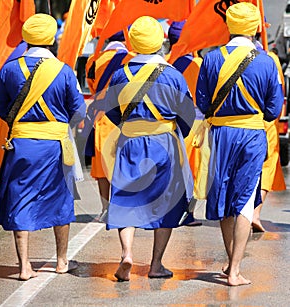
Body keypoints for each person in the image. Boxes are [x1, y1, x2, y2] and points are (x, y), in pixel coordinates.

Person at [0, 13, 86, 281]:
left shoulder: (9, 69)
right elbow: (78, 112)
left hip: (20, 145)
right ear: (52, 38)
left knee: (20, 199)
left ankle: (23, 267)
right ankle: (61, 261)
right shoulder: (64, 71)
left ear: (26, 37)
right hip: (55, 146)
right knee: (61, 200)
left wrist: (21, 123)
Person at [196, 2, 284, 286]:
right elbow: (274, 111)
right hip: (251, 135)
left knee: (223, 196)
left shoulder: (211, 59)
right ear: (256, 28)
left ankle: (230, 258)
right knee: (245, 198)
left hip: (221, 135)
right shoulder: (267, 61)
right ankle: (234, 270)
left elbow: (203, 103)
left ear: (229, 26)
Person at [103, 16, 196, 281]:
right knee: (167, 204)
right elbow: (187, 115)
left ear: (133, 42)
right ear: (161, 42)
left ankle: (127, 254)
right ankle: (155, 264)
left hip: (129, 143)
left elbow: (111, 110)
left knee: (125, 199)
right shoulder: (173, 76)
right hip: (163, 145)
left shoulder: (121, 74)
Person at [84, 31, 134, 222]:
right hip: (125, 115)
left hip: (101, 115)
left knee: (102, 167)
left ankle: (105, 209)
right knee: (124, 163)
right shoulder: (131, 58)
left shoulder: (94, 60)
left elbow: (92, 86)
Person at [167, 20, 204, 226]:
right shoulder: (198, 64)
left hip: (169, 123)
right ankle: (188, 213)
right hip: (196, 123)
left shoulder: (165, 63)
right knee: (194, 172)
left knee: (175, 171)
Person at [252, 39, 287, 232]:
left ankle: (239, 213)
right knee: (267, 166)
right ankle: (255, 213)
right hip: (266, 121)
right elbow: (278, 93)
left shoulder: (226, 55)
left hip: (242, 121)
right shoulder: (270, 59)